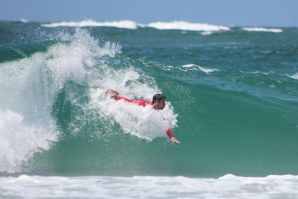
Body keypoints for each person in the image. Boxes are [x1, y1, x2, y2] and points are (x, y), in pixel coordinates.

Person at [105, 89, 180, 144]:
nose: (165, 104)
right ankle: (112, 93)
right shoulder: (144, 104)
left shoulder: (156, 112)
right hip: (130, 107)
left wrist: (171, 136)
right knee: (124, 100)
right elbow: (129, 102)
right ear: (157, 102)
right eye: (163, 102)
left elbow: (164, 124)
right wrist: (114, 97)